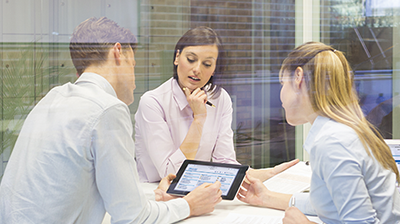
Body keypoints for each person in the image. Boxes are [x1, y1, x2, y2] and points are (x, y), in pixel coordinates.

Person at [0, 17, 223, 224]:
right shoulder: (107, 109)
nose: (134, 83)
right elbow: (133, 218)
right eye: (133, 65)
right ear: (119, 52)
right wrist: (189, 205)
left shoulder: (51, 99)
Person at [237, 42, 400, 223]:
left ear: (298, 77)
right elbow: (333, 202)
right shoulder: (343, 130)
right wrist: (266, 197)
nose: (281, 94)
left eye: (282, 83)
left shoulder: (333, 142)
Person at [135, 26, 298, 183]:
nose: (197, 69)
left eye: (207, 64)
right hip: (155, 194)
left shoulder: (220, 99)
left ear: (214, 69)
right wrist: (198, 120)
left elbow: (225, 163)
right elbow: (171, 174)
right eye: (191, 59)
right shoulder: (153, 102)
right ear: (177, 57)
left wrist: (269, 173)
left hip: (198, 188)